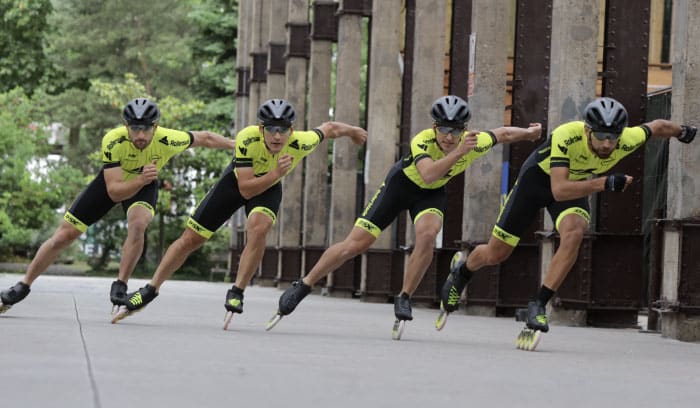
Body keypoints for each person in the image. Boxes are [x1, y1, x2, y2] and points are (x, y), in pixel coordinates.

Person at [267, 95, 542, 339]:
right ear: (434, 127)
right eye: (443, 129)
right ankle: (304, 285)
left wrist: (529, 134)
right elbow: (428, 173)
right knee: (356, 244)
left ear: (464, 130)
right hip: (402, 186)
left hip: (430, 195)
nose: (448, 136)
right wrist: (460, 151)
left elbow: (503, 134)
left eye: (455, 131)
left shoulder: (475, 141)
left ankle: (405, 296)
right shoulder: (423, 140)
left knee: (427, 235)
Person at [437, 97, 697, 343]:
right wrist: (604, 183)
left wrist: (685, 131)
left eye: (613, 138)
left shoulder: (628, 138)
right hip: (538, 182)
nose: (607, 144)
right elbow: (558, 190)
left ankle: (538, 303)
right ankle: (462, 271)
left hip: (574, 184)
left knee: (574, 232)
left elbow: (659, 126)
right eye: (601, 137)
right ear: (587, 131)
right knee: (496, 253)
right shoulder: (567, 135)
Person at [112, 98, 368, 326]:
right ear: (261, 129)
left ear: (291, 131)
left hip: (268, 189)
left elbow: (330, 128)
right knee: (191, 239)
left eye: (282, 130)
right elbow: (246, 189)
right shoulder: (247, 138)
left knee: (259, 228)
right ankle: (151, 289)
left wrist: (353, 131)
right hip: (236, 184)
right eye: (271, 129)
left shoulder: (301, 142)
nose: (276, 136)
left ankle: (237, 291)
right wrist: (277, 173)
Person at [0, 98, 236, 315]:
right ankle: (23, 285)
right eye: (135, 129)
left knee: (138, 225)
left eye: (146, 129)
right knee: (64, 235)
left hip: (144, 184)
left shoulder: (168, 138)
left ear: (156, 127)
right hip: (114, 182)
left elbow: (205, 137)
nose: (140, 135)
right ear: (126, 126)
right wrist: (141, 179)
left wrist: (237, 145)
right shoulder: (113, 140)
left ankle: (120, 285)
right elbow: (114, 191)